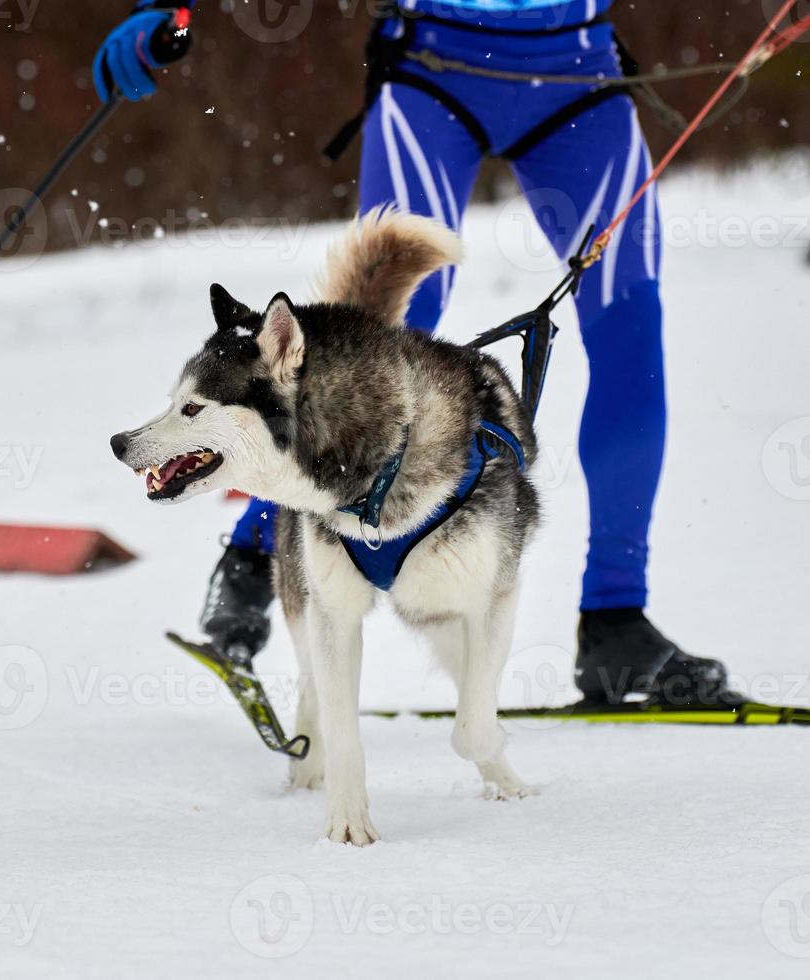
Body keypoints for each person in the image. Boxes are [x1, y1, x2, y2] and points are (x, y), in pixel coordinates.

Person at [92, 0, 740, 705]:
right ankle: (254, 558)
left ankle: (618, 614)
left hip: (579, 74)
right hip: (436, 70)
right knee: (388, 322)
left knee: (630, 326)